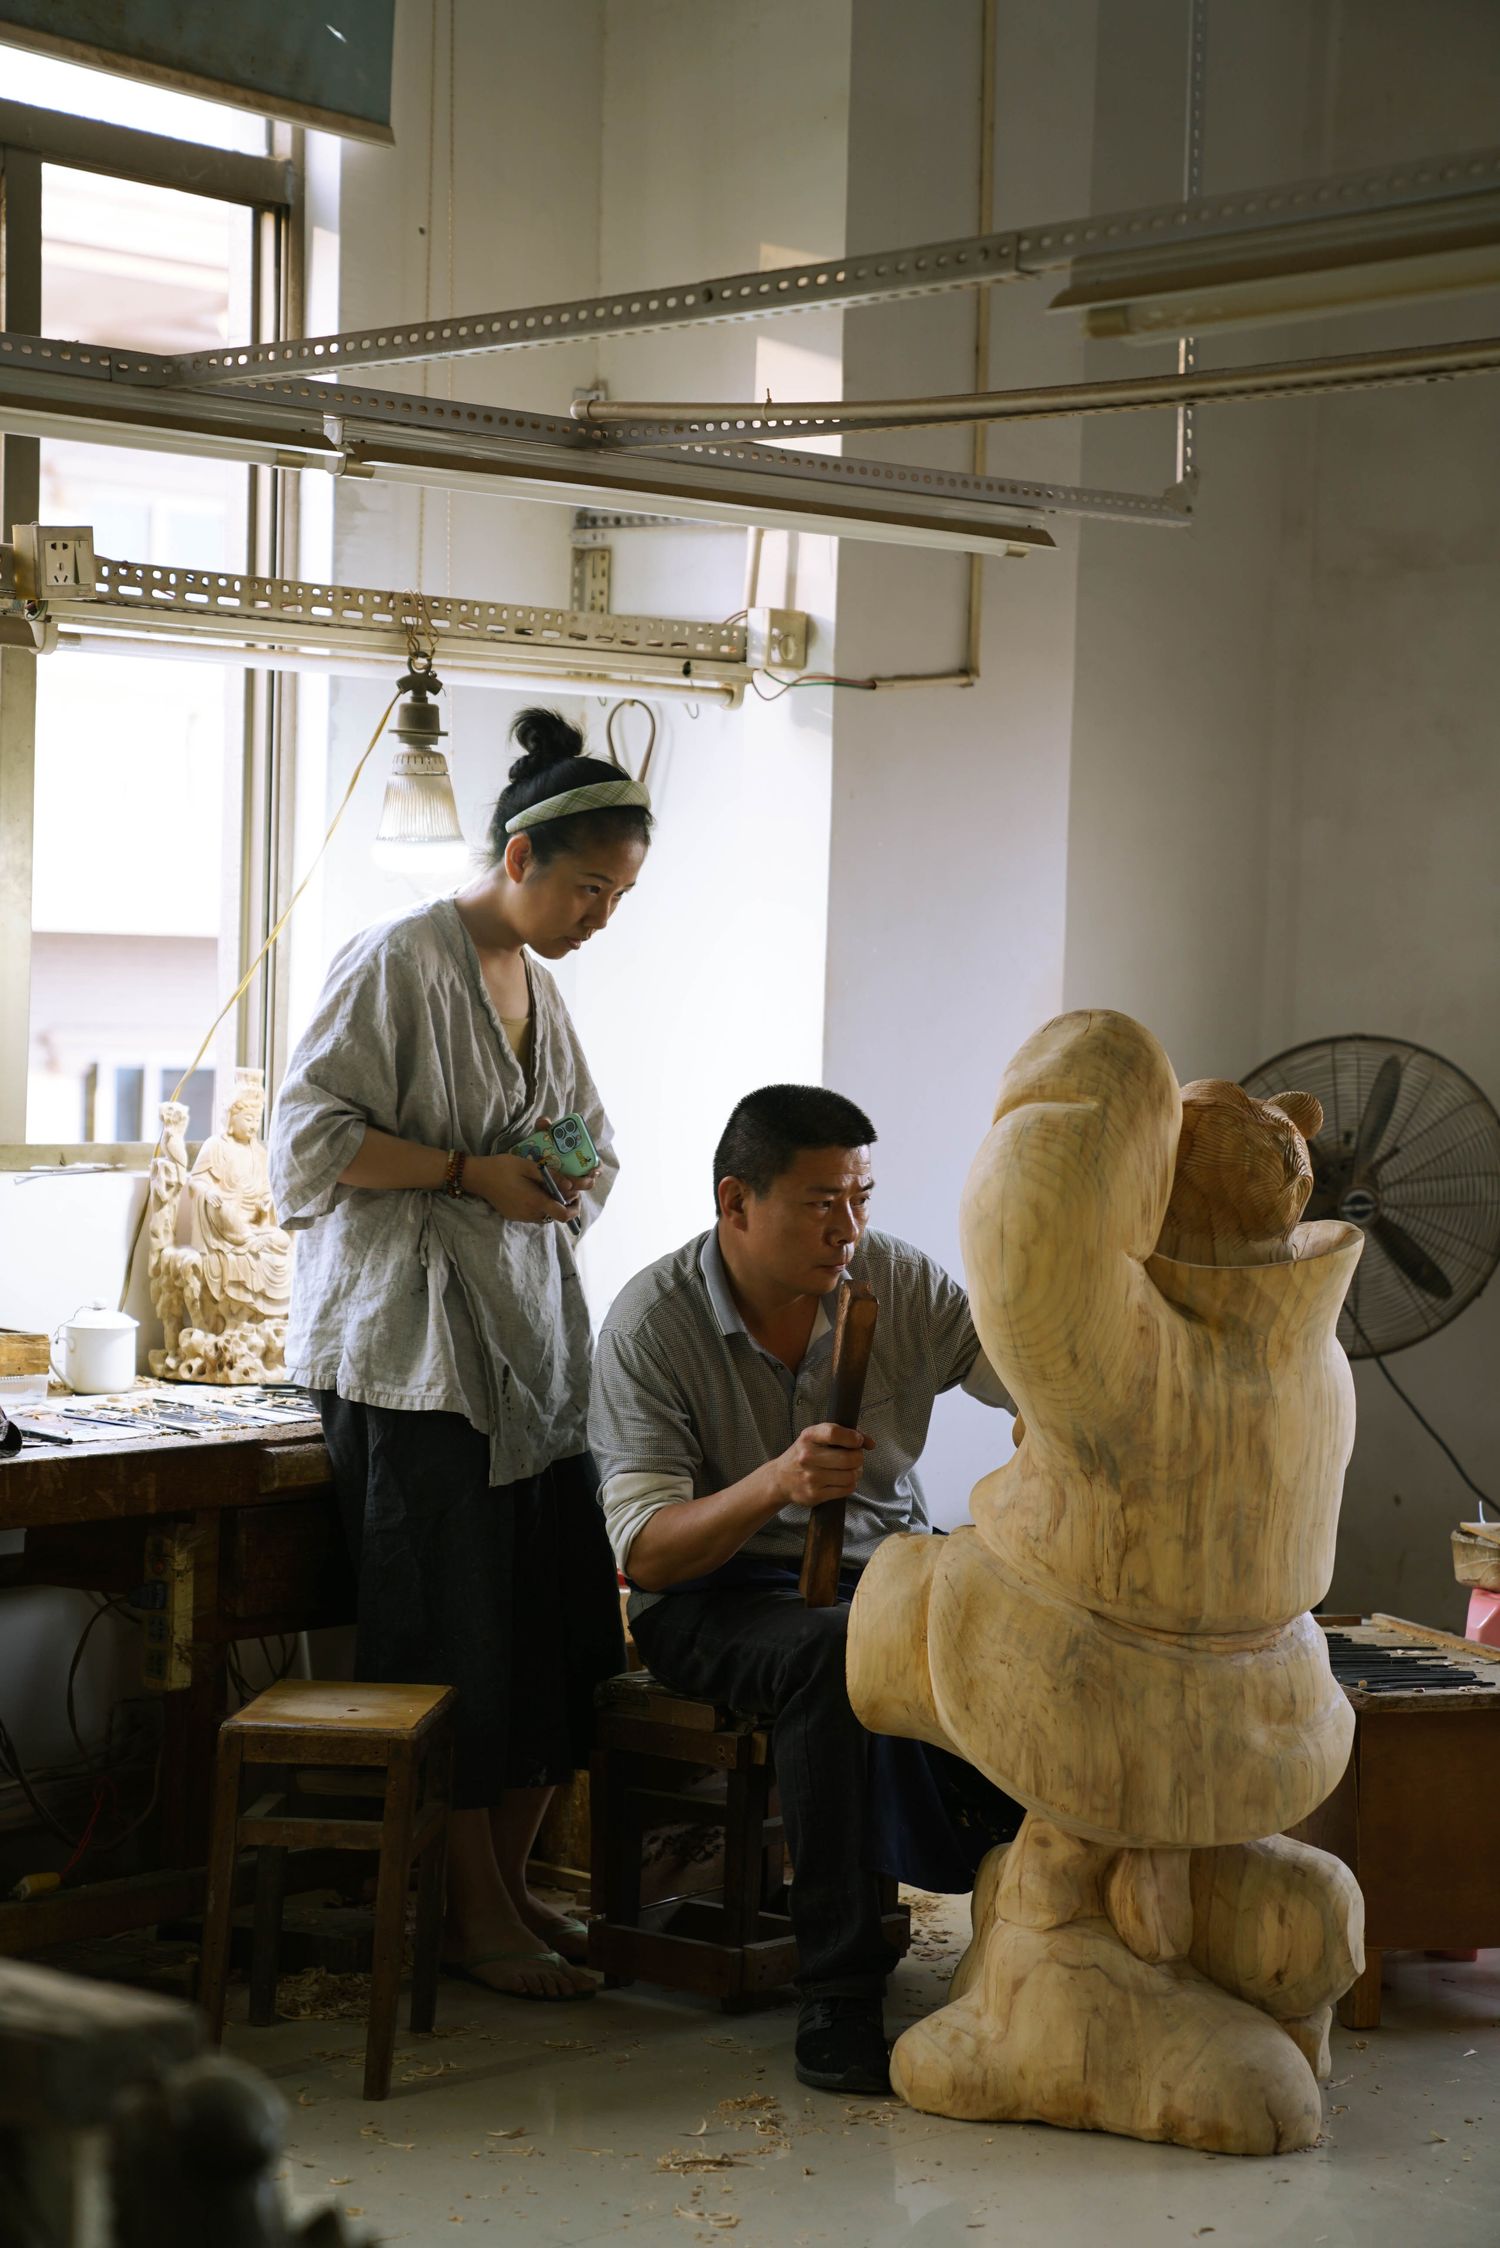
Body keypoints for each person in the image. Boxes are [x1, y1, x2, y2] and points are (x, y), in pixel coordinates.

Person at [270, 707, 650, 2001]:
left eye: (622, 896)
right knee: (459, 1648)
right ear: (521, 858)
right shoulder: (397, 961)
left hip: (531, 1366)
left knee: (558, 1640)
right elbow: (305, 1147)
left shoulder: (541, 989)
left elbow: (595, 1138)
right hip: (417, 1365)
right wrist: (464, 1170)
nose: (603, 916)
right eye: (591, 887)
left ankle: (516, 1888)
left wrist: (557, 1172)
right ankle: (462, 1914)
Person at [588, 1085, 1021, 2093]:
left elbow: (1025, 1379)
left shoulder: (898, 1283)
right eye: (822, 1201)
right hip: (715, 1595)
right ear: (737, 1203)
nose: (851, 1226)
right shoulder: (652, 1325)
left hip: (883, 1572)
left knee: (1016, 1616)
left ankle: (1038, 1933)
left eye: (862, 1195)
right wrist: (775, 1483)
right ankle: (839, 1994)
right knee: (832, 1655)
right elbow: (647, 1552)